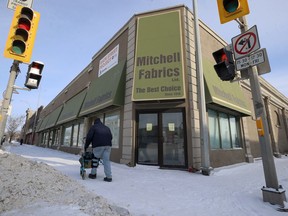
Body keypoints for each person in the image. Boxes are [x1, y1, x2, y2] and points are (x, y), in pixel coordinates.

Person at [85, 118, 113, 182]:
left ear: (94, 122)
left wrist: (86, 146)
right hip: (108, 146)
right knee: (106, 161)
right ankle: (109, 177)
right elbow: (111, 137)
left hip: (98, 146)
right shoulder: (107, 128)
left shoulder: (94, 127)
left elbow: (89, 137)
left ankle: (93, 174)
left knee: (95, 159)